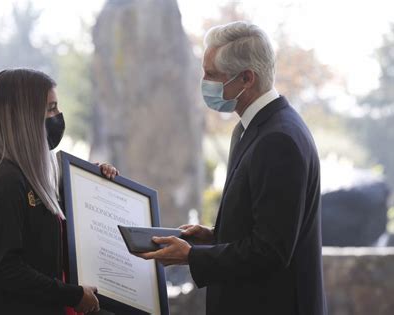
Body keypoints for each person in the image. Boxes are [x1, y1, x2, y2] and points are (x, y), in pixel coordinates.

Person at [137, 21, 327, 315]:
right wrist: (215, 236)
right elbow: (263, 221)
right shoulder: (253, 128)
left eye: (212, 74)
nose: (204, 81)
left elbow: (271, 250)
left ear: (246, 78)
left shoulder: (279, 139)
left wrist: (192, 257)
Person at [0, 68, 119, 315]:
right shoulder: (4, 183)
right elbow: (8, 270)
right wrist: (72, 295)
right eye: (51, 108)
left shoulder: (35, 176)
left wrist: (92, 184)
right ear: (24, 117)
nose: (58, 116)